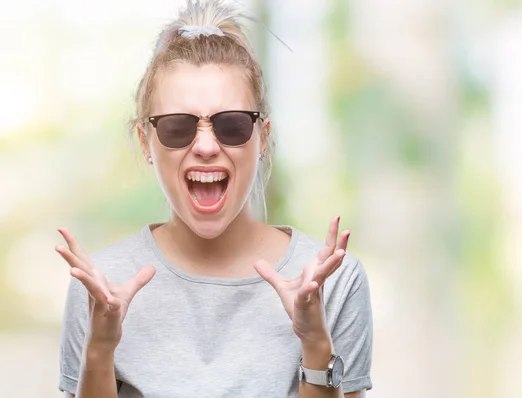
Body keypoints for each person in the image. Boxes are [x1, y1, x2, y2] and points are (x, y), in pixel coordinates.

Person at [56, 1, 373, 397]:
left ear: (262, 138)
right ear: (146, 142)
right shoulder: (100, 285)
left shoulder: (335, 280)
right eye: (177, 126)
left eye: (232, 124)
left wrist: (314, 344)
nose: (206, 146)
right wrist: (100, 351)